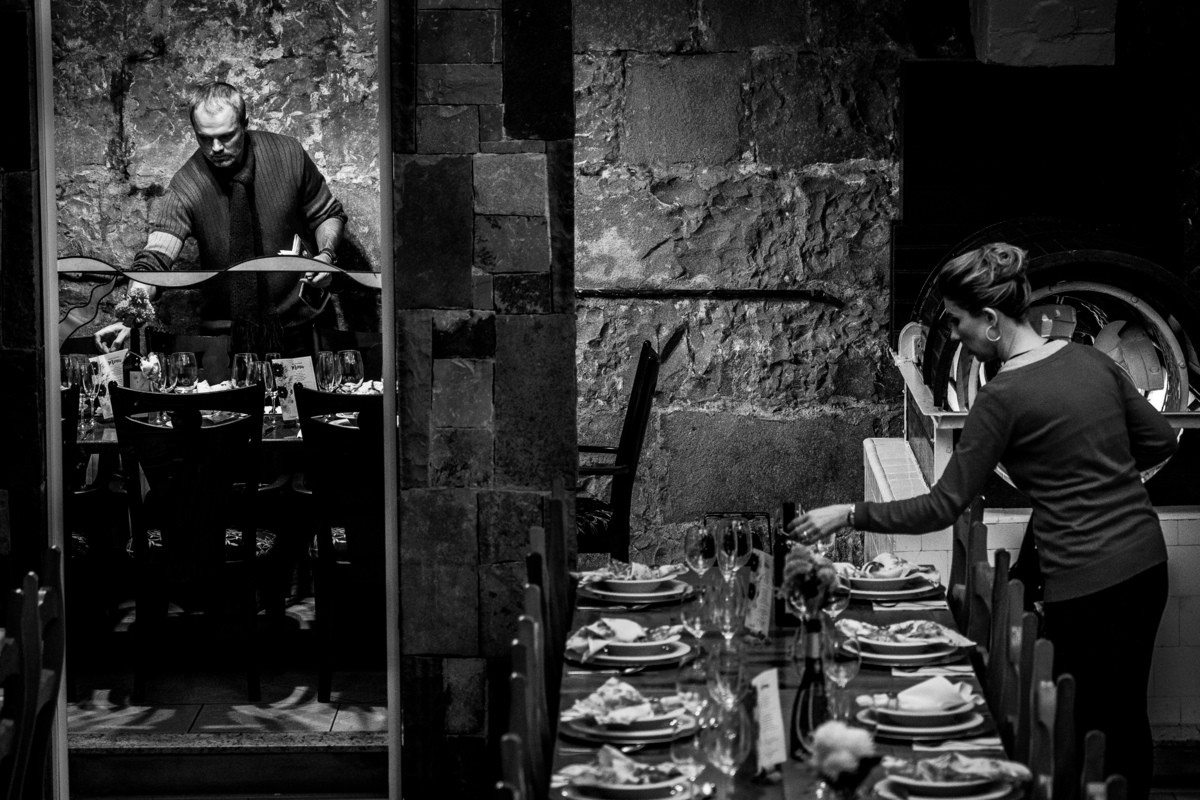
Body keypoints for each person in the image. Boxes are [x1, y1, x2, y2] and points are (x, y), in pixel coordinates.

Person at [790, 242, 1176, 800]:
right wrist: (1096, 474)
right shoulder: (1090, 359)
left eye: (956, 320)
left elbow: (940, 506)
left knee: (1083, 732)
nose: (953, 333)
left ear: (991, 320)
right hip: (1146, 564)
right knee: (1123, 720)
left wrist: (850, 513)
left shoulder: (1001, 397)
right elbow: (1161, 440)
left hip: (1086, 581)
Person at [95, 81, 348, 358]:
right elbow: (155, 257)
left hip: (300, 322)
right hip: (227, 334)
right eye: (205, 138)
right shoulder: (187, 185)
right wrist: (132, 314)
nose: (216, 148)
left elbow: (327, 215)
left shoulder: (288, 155)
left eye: (227, 136)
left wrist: (325, 257)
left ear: (245, 124)